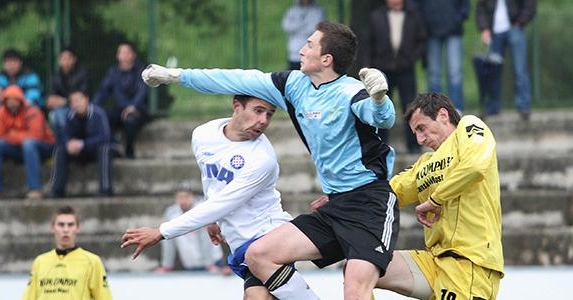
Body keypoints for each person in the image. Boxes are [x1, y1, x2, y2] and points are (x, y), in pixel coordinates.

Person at [139, 21, 398, 300]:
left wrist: (381, 99)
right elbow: (233, 79)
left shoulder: (352, 92)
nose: (301, 49)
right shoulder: (294, 85)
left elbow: (381, 118)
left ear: (326, 59)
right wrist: (176, 76)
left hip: (369, 204)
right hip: (334, 204)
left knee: (355, 291)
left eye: (309, 44)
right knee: (258, 254)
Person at [121, 95, 316, 299]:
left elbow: (222, 204)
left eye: (269, 114)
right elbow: (210, 178)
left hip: (267, 239)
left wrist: (161, 232)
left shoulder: (262, 159)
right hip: (242, 244)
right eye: (258, 111)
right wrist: (213, 219)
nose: (264, 121)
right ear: (236, 106)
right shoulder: (203, 135)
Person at [372, 92, 503, 299]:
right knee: (363, 267)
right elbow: (387, 192)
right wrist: (340, 198)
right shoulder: (425, 162)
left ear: (443, 115)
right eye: (415, 132)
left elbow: (476, 166)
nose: (420, 139)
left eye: (421, 128)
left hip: (468, 263)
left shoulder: (468, 128)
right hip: (433, 262)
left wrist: (434, 200)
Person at [362, 0, 426, 154]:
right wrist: (370, 67)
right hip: (383, 68)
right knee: (381, 106)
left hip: (405, 68)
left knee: (410, 106)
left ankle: (413, 144)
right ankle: (380, 145)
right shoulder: (376, 16)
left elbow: (422, 39)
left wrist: (411, 58)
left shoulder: (414, 15)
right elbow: (368, 43)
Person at [22, 205, 112, 300]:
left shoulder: (92, 262)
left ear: (77, 228)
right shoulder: (40, 262)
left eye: (70, 225)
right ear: (53, 227)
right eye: (61, 225)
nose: (65, 230)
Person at [0, 85, 55, 200]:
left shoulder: (32, 110)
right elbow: (0, 134)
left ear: (20, 100)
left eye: (14, 100)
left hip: (42, 147)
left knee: (29, 144)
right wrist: (18, 137)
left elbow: (36, 135)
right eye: (9, 101)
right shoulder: (2, 111)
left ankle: (35, 189)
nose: (12, 104)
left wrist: (12, 135)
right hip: (18, 148)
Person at [476, 0, 537, 121]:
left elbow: (530, 4)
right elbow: (481, 8)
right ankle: (492, 106)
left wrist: (520, 22)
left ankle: (524, 107)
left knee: (520, 69)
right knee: (492, 72)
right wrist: (484, 28)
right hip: (493, 32)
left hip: (515, 27)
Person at [49, 89, 114, 198]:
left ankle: (105, 189)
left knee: (104, 149)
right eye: (73, 101)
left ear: (86, 99)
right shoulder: (70, 115)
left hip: (96, 149)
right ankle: (57, 189)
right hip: (78, 151)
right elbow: (64, 135)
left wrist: (83, 144)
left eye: (79, 100)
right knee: (60, 150)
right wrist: (69, 144)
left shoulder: (98, 113)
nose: (76, 104)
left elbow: (105, 137)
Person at [156, 185, 231, 275]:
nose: (183, 201)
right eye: (180, 197)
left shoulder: (202, 209)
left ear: (193, 197)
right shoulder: (171, 213)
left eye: (186, 197)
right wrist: (166, 266)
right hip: (190, 264)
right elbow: (168, 241)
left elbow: (205, 239)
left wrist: (209, 264)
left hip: (212, 263)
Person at [92, 41, 149, 159]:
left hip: (137, 109)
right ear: (117, 56)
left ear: (133, 55)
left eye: (127, 52)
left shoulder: (141, 71)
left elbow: (142, 91)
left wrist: (133, 106)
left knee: (130, 120)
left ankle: (129, 151)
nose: (124, 55)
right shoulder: (113, 72)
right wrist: (92, 107)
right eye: (121, 52)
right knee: (104, 117)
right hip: (119, 109)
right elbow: (104, 90)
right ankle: (112, 147)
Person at [415, 0, 470, 112]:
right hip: (431, 32)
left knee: (455, 72)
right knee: (434, 74)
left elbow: (465, 5)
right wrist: (423, 24)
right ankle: (434, 109)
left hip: (454, 30)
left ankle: (456, 109)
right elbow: (416, 6)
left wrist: (458, 19)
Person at [0, 48, 43, 135]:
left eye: (13, 62)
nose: (11, 65)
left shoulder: (30, 75)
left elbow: (34, 95)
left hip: (25, 107)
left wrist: (16, 100)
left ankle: (30, 135)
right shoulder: (0, 77)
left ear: (20, 62)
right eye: (8, 62)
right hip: (6, 108)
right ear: (4, 64)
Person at [47, 46, 89, 143]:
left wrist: (65, 101)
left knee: (60, 115)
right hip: (61, 108)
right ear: (59, 60)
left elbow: (83, 95)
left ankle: (67, 144)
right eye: (63, 58)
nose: (66, 61)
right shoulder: (56, 76)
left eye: (68, 58)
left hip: (78, 109)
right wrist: (51, 100)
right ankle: (60, 145)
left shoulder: (82, 74)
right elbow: (51, 97)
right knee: (54, 114)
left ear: (74, 59)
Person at [281, 0, 326, 70]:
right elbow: (287, 26)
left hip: (311, 51)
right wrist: (303, 24)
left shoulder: (318, 11)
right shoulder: (292, 10)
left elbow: (314, 29)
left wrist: (298, 25)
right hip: (294, 51)